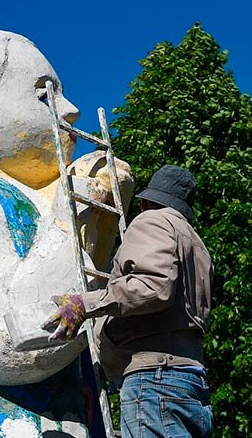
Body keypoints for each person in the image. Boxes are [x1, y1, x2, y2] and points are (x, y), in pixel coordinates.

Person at [43, 164, 214, 438]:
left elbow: (153, 286)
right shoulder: (198, 246)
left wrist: (85, 304)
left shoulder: (153, 221)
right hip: (189, 381)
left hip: (156, 379)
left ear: (146, 202)